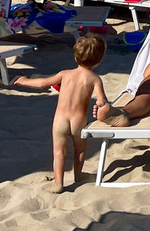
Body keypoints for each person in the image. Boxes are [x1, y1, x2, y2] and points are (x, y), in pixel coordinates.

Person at [13, 35, 111, 193]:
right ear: (98, 60)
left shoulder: (65, 74)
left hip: (60, 120)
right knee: (80, 149)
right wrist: (101, 105)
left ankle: (58, 182)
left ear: (75, 56)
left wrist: (24, 81)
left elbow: (43, 83)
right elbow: (102, 100)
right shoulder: (94, 79)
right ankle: (78, 175)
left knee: (59, 152)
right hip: (79, 120)